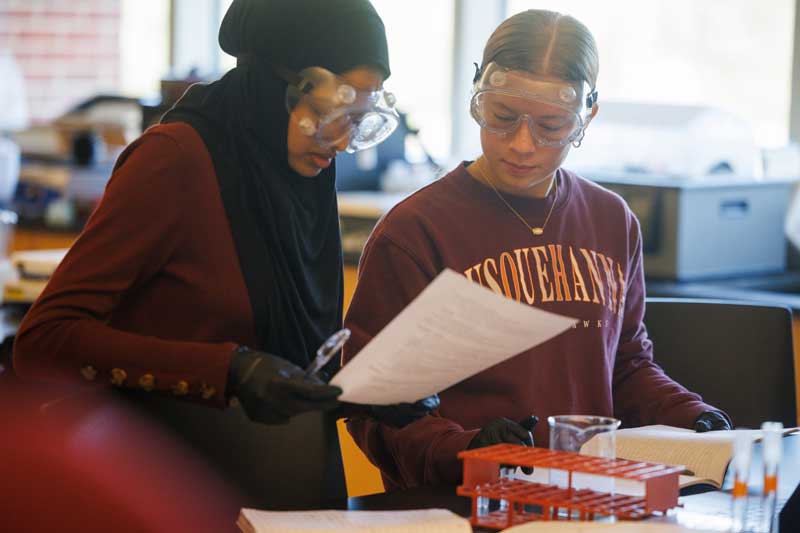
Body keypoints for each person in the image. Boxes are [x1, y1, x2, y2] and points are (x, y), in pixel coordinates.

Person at [342, 9, 731, 491]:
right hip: (462, 507)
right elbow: (374, 412)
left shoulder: (611, 221)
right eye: (502, 117)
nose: (522, 145)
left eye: (551, 126)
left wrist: (693, 419)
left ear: (587, 116)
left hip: (589, 501)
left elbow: (626, 366)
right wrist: (467, 450)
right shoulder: (414, 232)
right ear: (476, 101)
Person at [12, 0, 406, 429]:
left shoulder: (304, 176)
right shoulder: (177, 159)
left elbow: (299, 360)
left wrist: (370, 393)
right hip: (174, 475)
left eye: (357, 121)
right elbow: (44, 339)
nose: (343, 143)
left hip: (286, 472)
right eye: (328, 115)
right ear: (277, 87)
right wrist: (228, 371)